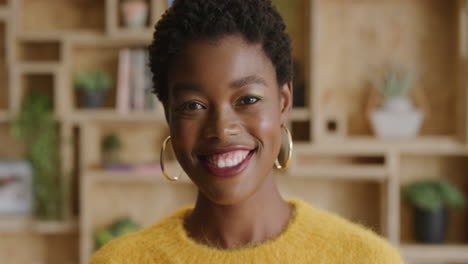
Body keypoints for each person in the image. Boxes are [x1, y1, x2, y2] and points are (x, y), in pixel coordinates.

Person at [90, 0, 404, 263]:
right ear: (168, 114)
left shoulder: (364, 259)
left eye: (248, 99)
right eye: (192, 105)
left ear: (283, 103)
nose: (221, 129)